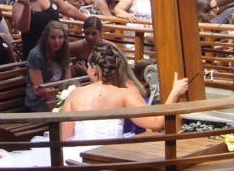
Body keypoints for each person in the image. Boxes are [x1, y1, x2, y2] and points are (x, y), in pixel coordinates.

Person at [60, 44, 189, 160]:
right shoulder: (124, 95)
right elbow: (156, 123)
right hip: (110, 158)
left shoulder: (74, 95)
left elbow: (65, 138)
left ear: (94, 69)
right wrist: (174, 93)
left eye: (88, 66)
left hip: (75, 159)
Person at [9, 0, 87, 60]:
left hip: (57, 47)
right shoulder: (18, 6)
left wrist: (87, 19)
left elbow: (67, 9)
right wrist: (27, 6)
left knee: (88, 44)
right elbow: (24, 28)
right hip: (36, 54)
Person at [25, 21, 71, 112]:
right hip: (39, 100)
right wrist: (60, 95)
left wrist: (65, 93)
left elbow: (67, 81)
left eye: (60, 37)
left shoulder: (63, 51)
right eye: (53, 37)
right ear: (46, 38)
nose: (57, 41)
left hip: (58, 95)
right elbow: (40, 87)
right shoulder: (35, 55)